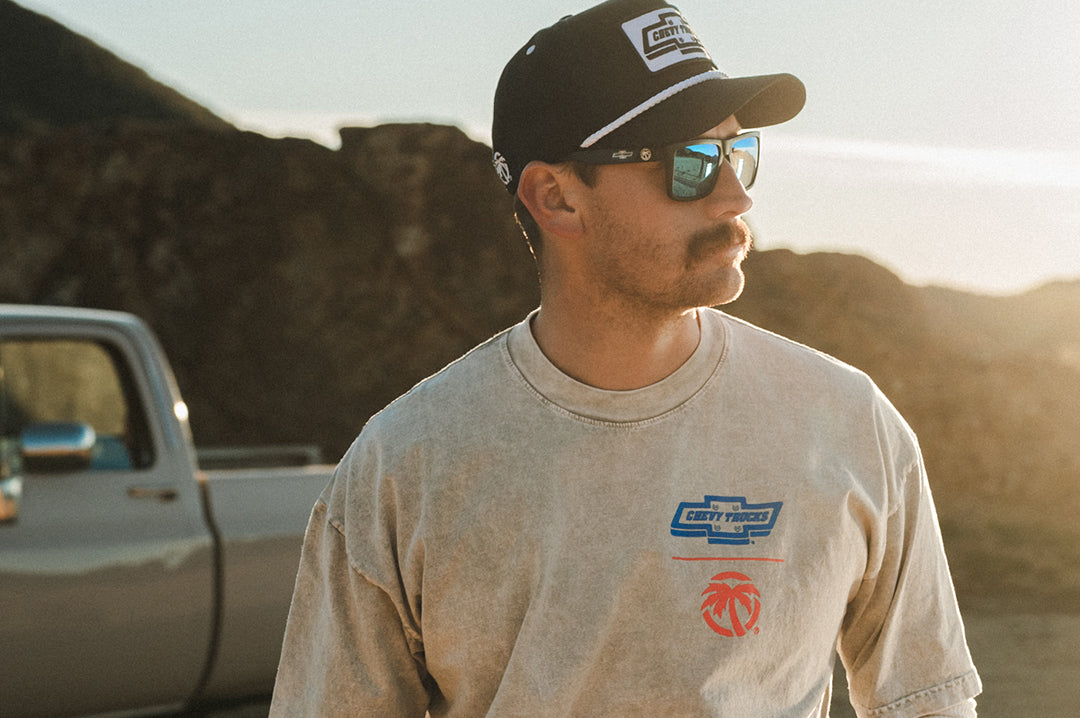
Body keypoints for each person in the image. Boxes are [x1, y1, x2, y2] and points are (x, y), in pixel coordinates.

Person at [269, 0, 982, 715]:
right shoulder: (407, 464)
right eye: (691, 164)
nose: (735, 196)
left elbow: (927, 699)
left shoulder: (848, 424)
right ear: (557, 197)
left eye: (740, 153)